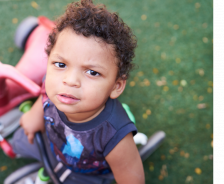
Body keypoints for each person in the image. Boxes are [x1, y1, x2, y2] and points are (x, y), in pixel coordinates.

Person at [11, 0, 145, 183]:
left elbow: (132, 179)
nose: (70, 81)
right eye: (60, 64)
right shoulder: (55, 85)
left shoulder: (115, 136)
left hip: (87, 172)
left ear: (116, 86)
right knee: (20, 139)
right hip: (54, 146)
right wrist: (35, 114)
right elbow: (45, 94)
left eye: (92, 72)